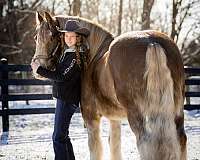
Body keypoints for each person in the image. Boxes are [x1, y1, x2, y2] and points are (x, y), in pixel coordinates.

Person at [31, 20, 90, 160]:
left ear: (78, 38)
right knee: (63, 136)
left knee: (57, 137)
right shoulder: (67, 53)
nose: (69, 39)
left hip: (67, 100)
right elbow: (60, 72)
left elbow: (61, 76)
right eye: (66, 36)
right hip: (64, 99)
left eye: (72, 36)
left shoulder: (75, 56)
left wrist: (38, 69)